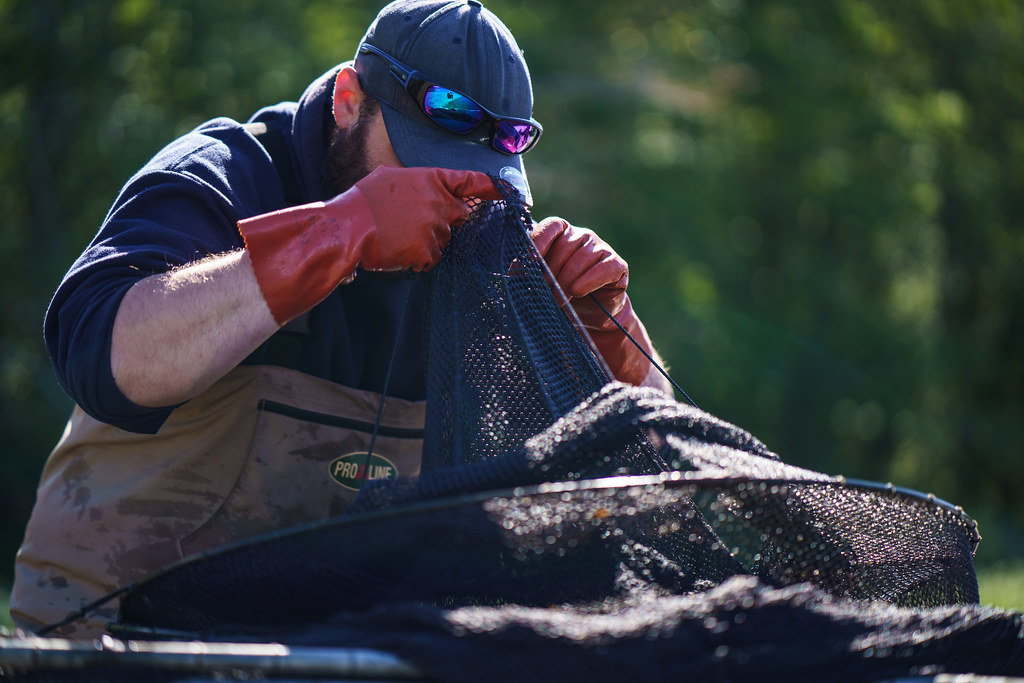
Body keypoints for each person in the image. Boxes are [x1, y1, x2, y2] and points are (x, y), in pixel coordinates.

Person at [10, 0, 669, 637]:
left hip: (337, 646)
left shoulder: (485, 258)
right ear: (349, 100)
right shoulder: (228, 176)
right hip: (109, 636)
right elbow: (104, 356)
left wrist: (611, 347)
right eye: (420, 165)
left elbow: (665, 476)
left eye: (476, 183)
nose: (449, 201)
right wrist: (338, 232)